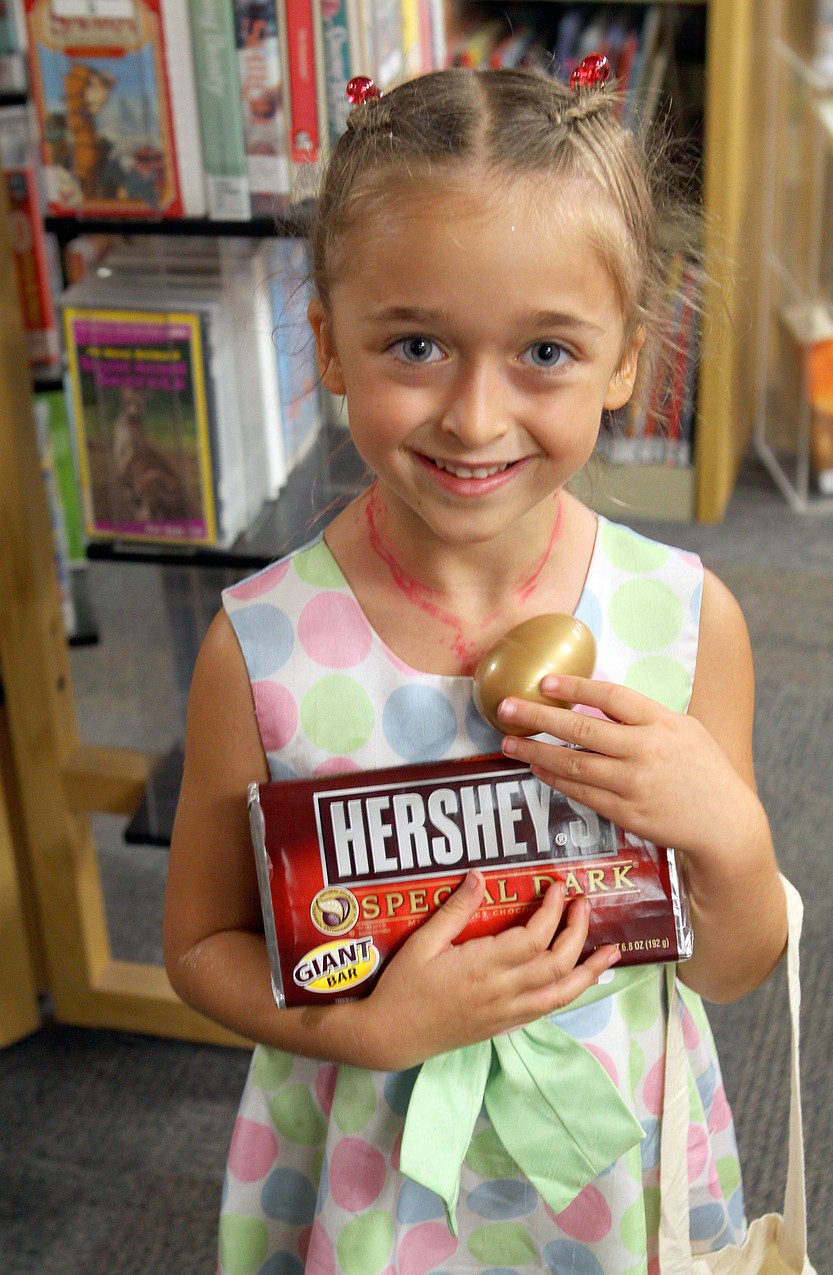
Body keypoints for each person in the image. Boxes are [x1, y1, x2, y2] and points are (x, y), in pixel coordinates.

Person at [163, 65, 788, 1274]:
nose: (475, 415)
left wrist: (733, 842)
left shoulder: (685, 621)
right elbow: (199, 947)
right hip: (371, 1180)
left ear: (625, 362)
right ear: (328, 342)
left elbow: (730, 962)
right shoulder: (260, 647)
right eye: (415, 345)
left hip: (618, 1173)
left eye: (546, 350)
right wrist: (367, 1026)